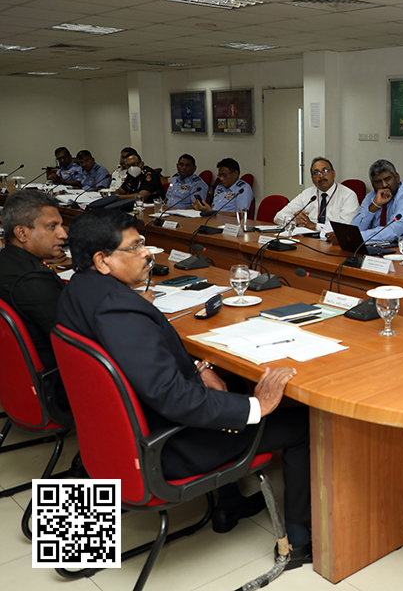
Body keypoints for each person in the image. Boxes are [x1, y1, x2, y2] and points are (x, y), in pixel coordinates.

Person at [58, 209, 313, 569]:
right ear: (102, 261)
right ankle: (300, 543)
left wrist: (198, 366)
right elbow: (173, 398)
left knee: (231, 382)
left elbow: (143, 364)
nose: (148, 253)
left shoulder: (77, 290)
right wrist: (257, 406)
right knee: (304, 423)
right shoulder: (119, 309)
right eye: (135, 247)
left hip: (111, 438)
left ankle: (228, 504)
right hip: (167, 446)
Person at [0, 190, 67, 387]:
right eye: (52, 227)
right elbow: (76, 342)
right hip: (58, 386)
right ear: (22, 233)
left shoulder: (7, 261)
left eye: (61, 225)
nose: (63, 234)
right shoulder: (32, 281)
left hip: (19, 379)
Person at [337, 159, 403, 244]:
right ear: (373, 185)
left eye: (387, 179)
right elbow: (355, 228)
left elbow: (393, 232)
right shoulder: (371, 197)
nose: (384, 185)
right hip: (381, 248)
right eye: (378, 182)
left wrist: (352, 237)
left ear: (397, 178)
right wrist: (374, 206)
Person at [274, 157, 359, 230]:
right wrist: (295, 220)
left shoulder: (348, 195)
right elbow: (278, 217)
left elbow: (347, 228)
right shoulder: (307, 194)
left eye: (325, 171)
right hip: (309, 241)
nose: (321, 176)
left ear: (333, 173)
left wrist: (314, 226)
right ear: (312, 178)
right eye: (316, 173)